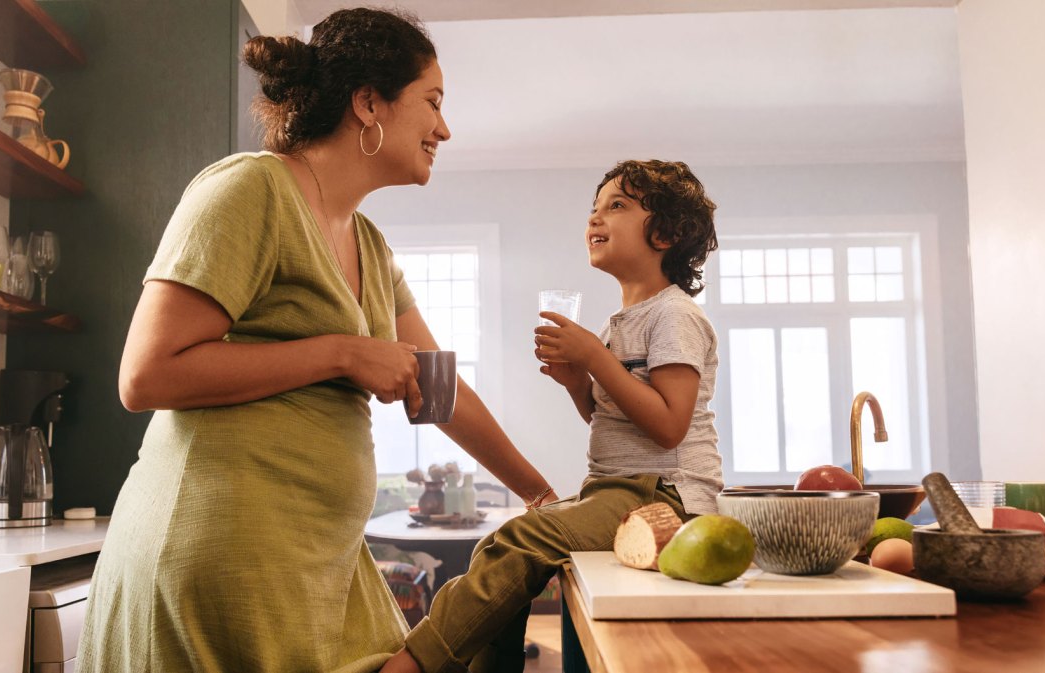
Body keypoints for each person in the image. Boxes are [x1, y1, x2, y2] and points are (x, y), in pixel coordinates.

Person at [77, 8, 556, 673]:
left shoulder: (371, 247)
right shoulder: (249, 190)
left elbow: (439, 389)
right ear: (368, 103)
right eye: (432, 102)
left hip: (314, 559)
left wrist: (542, 497)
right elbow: (146, 374)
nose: (444, 128)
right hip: (216, 554)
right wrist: (342, 352)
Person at [382, 159, 722, 673]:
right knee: (497, 546)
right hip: (618, 485)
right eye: (595, 208)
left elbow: (669, 427)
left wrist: (595, 359)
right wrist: (578, 385)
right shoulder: (620, 322)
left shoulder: (673, 315)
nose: (595, 218)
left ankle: (414, 663)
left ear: (667, 234)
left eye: (618, 206)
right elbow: (619, 425)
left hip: (667, 493)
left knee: (523, 539)